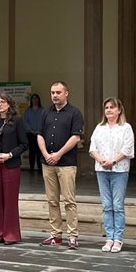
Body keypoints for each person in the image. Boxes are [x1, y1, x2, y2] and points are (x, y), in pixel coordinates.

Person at [37, 81, 84, 249]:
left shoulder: (74, 113)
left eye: (58, 92)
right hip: (47, 163)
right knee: (52, 200)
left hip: (66, 164)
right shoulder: (45, 113)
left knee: (69, 201)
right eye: (52, 92)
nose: (55, 95)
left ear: (66, 93)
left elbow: (76, 137)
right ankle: (55, 234)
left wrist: (58, 154)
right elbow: (39, 135)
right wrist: (45, 154)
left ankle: (72, 235)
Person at [89, 97, 134, 253]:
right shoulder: (99, 127)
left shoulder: (126, 128)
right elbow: (92, 147)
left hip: (119, 170)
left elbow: (127, 149)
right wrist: (101, 160)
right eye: (107, 107)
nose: (109, 110)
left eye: (112, 107)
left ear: (119, 110)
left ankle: (118, 239)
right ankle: (109, 238)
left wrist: (112, 161)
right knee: (107, 205)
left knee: (118, 205)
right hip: (102, 170)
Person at [0, 92, 28, 245]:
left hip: (11, 165)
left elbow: (24, 144)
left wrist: (9, 155)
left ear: (9, 103)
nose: (0, 104)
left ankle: (11, 234)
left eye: (3, 101)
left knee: (10, 201)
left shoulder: (17, 121)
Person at [23, 93, 44, 172]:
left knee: (39, 151)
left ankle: (39, 167)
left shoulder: (42, 110)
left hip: (40, 134)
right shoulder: (28, 111)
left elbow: (43, 122)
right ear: (31, 100)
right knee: (32, 151)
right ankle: (31, 167)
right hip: (30, 134)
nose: (35, 100)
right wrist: (31, 131)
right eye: (33, 99)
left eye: (36, 99)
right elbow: (25, 122)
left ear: (38, 100)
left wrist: (38, 131)